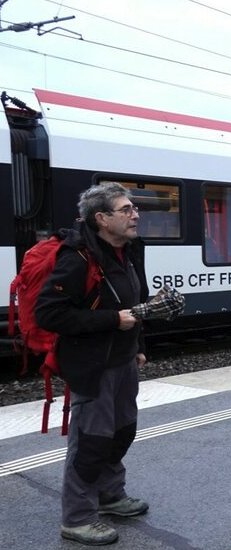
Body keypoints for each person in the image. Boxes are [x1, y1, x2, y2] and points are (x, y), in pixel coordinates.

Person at [36, 182, 150, 546]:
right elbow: (49, 314)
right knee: (91, 443)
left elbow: (137, 301)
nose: (135, 215)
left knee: (122, 432)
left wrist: (138, 344)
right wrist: (113, 321)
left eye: (134, 208)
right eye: (126, 210)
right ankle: (78, 518)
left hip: (123, 361)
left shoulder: (130, 250)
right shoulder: (78, 257)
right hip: (92, 367)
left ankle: (110, 496)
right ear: (102, 219)